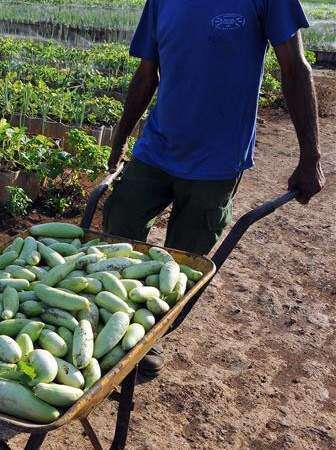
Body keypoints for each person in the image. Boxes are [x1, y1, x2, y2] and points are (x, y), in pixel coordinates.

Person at [104, 0, 325, 378]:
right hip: (156, 148)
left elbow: (294, 68)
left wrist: (310, 156)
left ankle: (148, 335)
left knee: (183, 260)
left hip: (216, 162)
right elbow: (146, 74)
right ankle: (110, 323)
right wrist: (121, 140)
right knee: (117, 231)